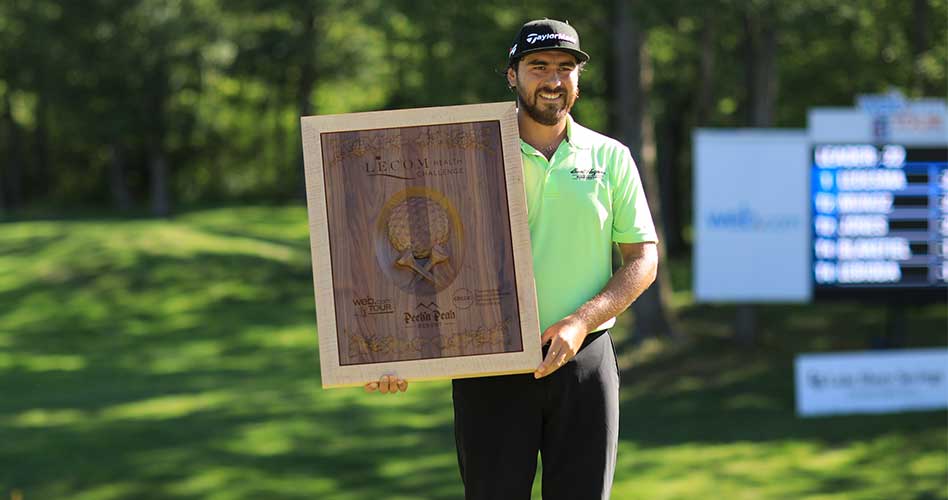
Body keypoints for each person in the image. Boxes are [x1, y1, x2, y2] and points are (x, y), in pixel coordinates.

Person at [366, 18, 659, 500]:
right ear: (511, 75)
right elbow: (409, 245)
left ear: (578, 80)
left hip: (584, 362)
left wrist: (582, 321)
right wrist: (386, 352)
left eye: (566, 68)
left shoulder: (611, 158)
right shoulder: (462, 155)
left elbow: (642, 259)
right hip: (489, 367)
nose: (553, 79)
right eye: (537, 66)